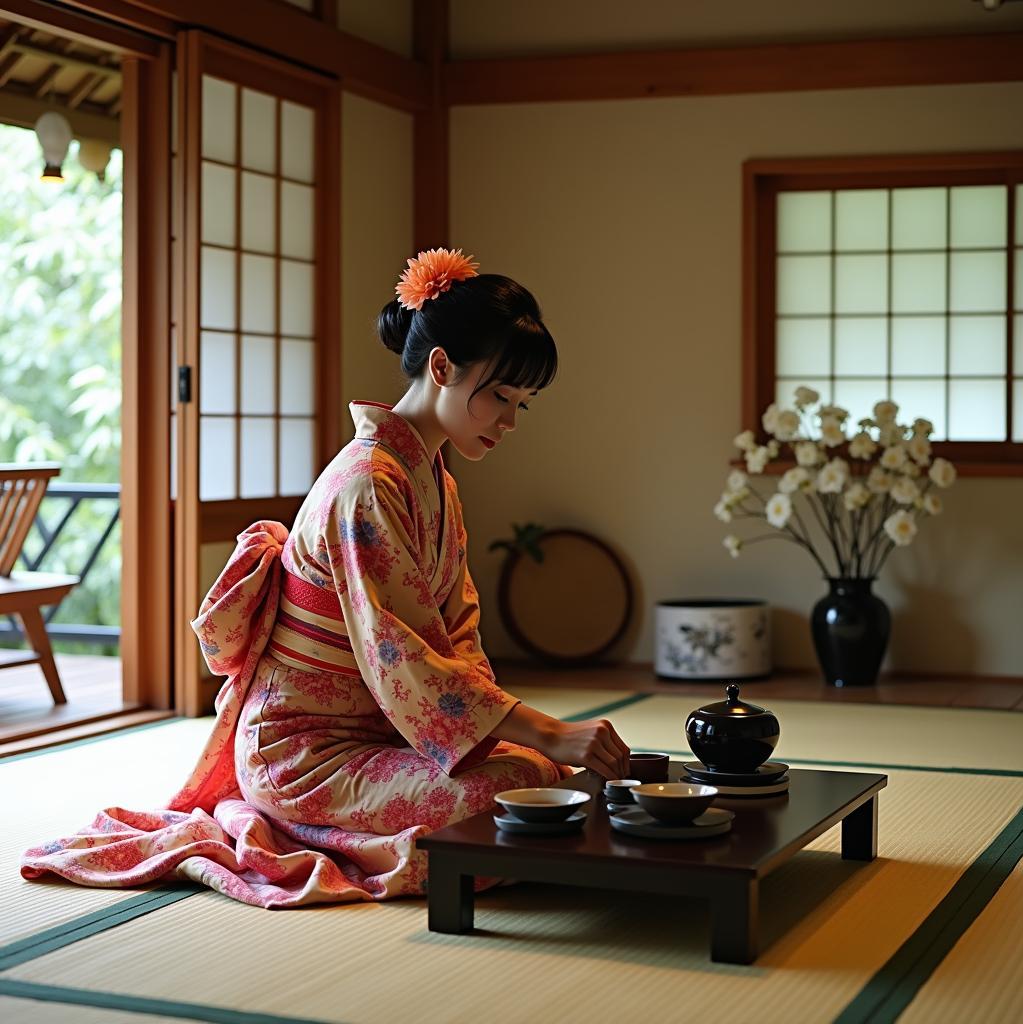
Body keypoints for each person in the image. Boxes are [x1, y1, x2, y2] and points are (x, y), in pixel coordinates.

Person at [21, 248, 629, 907]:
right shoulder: (367, 484)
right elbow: (402, 659)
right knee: (505, 795)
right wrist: (547, 732)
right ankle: (301, 824)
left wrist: (526, 739)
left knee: (537, 778)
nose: (510, 421)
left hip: (379, 734)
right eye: (502, 397)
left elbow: (456, 638)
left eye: (522, 404)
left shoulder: (432, 481)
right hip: (305, 756)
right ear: (441, 367)